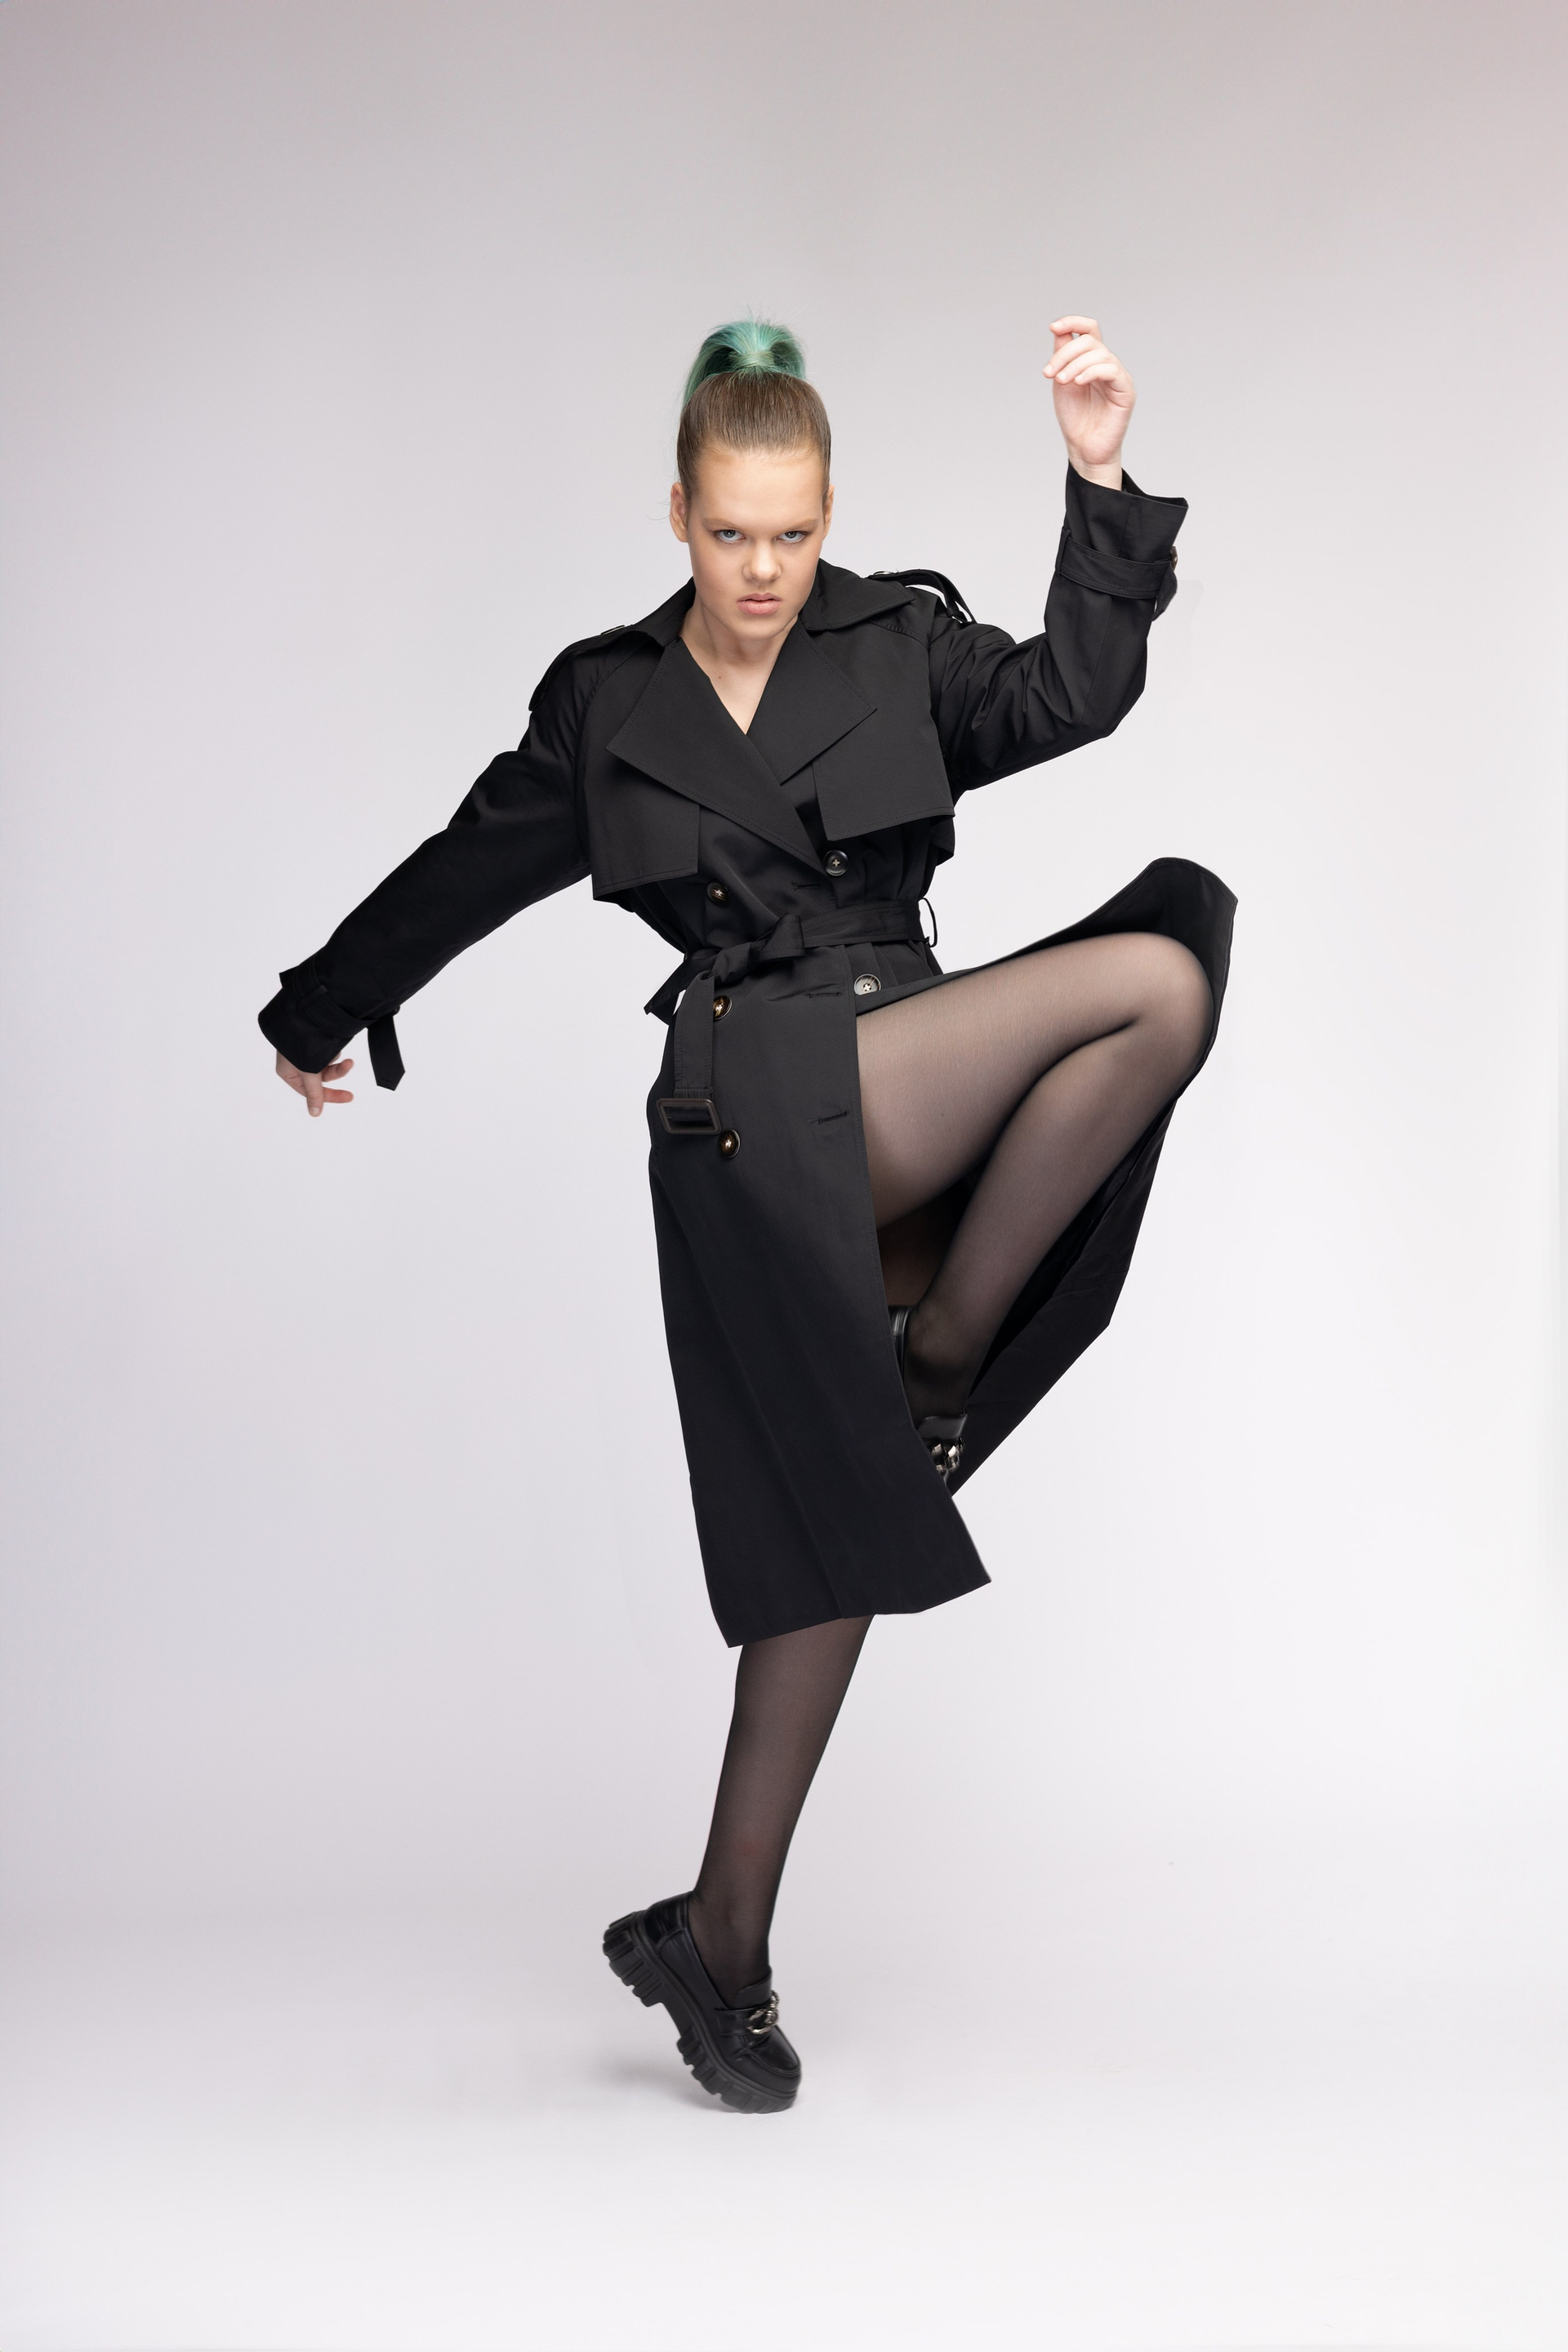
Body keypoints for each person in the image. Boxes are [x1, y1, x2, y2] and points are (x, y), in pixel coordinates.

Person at [260, 314, 1235, 2116]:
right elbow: (465, 872)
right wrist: (318, 1008)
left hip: (903, 1076)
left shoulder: (900, 644)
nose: (765, 569)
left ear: (828, 514)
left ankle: (717, 1940)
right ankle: (940, 1358)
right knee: (1153, 979)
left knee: (838, 1529)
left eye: (792, 532)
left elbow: (1074, 698)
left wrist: (1098, 476)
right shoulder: (608, 703)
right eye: (731, 534)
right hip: (745, 1113)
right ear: (679, 516)